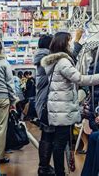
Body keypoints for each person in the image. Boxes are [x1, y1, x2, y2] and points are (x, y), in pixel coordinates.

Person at [41, 32, 99, 176]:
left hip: (57, 108)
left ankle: (60, 172)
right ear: (63, 44)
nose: (69, 45)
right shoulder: (63, 62)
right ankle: (60, 173)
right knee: (60, 144)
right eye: (68, 42)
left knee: (58, 144)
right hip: (62, 110)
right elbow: (80, 79)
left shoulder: (55, 61)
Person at [34, 34, 56, 176]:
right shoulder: (47, 59)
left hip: (43, 101)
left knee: (46, 134)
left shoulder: (42, 57)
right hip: (46, 102)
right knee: (47, 135)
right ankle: (44, 167)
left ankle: (44, 166)